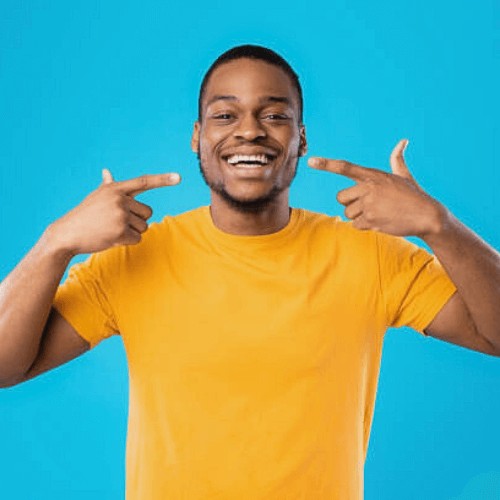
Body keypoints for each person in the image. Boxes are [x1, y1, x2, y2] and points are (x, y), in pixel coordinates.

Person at [0, 44, 498, 499]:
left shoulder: (372, 256)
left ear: (301, 139)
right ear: (198, 137)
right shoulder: (134, 257)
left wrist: (438, 225)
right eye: (224, 114)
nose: (249, 129)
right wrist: (56, 242)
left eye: (275, 114)